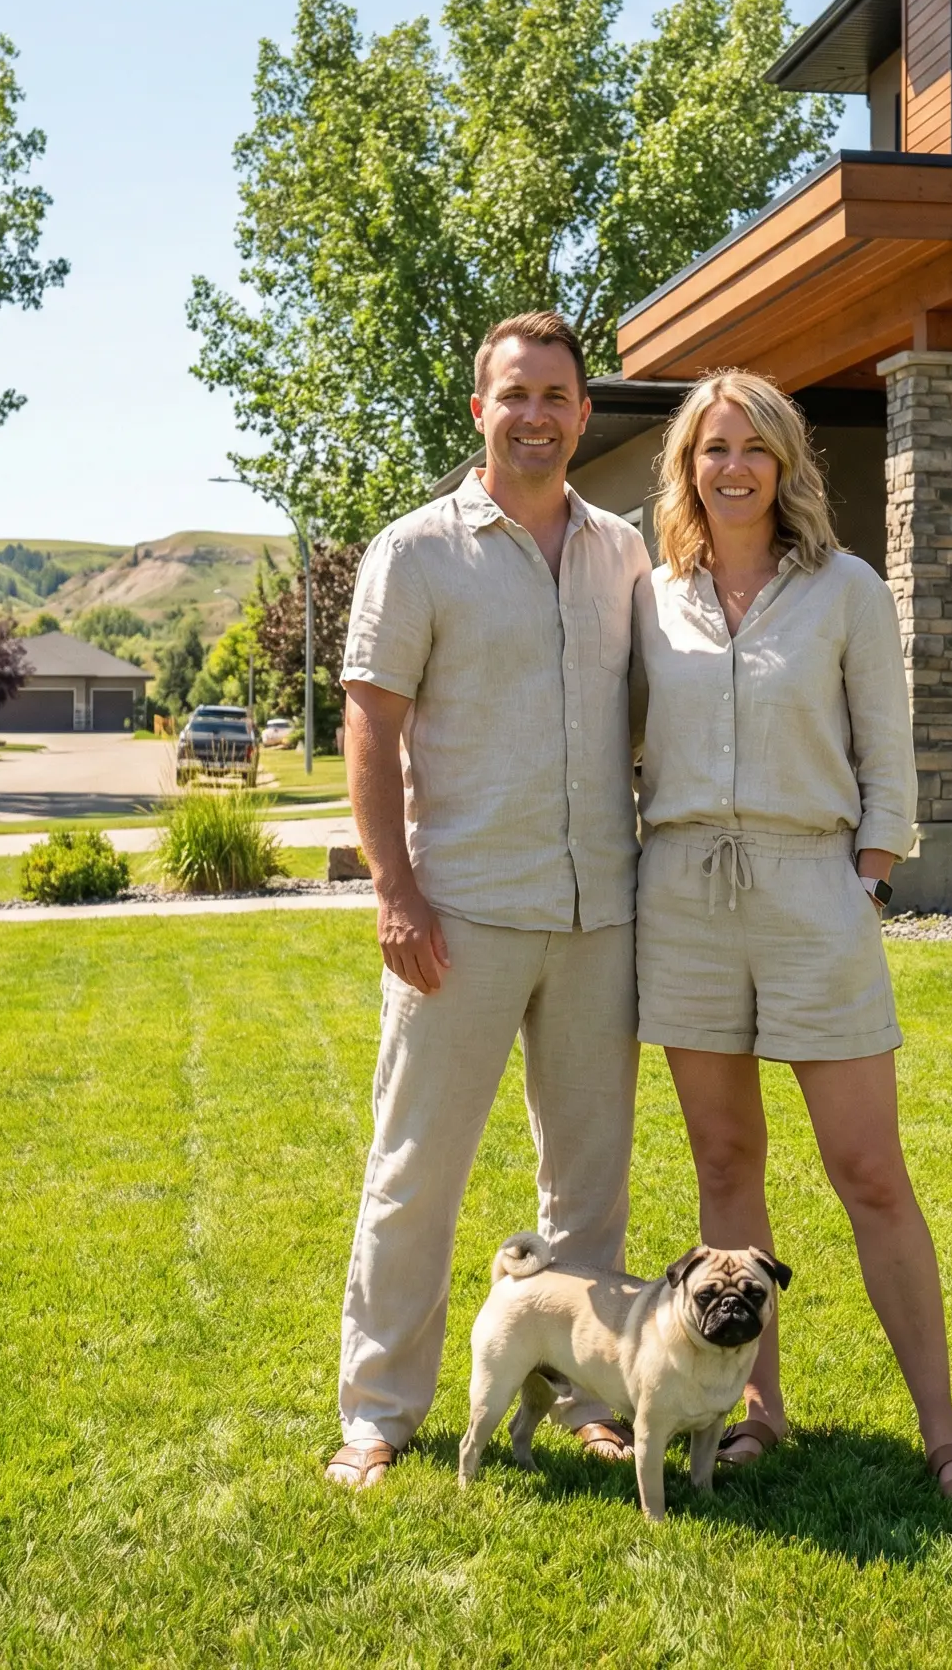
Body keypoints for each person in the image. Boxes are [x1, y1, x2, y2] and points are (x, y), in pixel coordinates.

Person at [630, 370, 952, 1505]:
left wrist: (868, 879)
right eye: (709, 448)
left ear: (784, 462)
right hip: (684, 894)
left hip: (812, 888)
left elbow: (888, 756)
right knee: (725, 1167)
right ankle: (756, 1410)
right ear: (685, 468)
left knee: (868, 1171)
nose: (730, 466)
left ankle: (942, 1433)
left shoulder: (845, 589)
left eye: (751, 446)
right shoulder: (652, 596)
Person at [325, 311, 650, 1490]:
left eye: (556, 396)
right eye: (513, 394)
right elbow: (371, 720)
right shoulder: (413, 552)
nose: (535, 415)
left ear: (583, 413)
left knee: (589, 1182)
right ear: (479, 409)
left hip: (597, 913)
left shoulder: (621, 551)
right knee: (416, 1167)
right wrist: (393, 888)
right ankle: (379, 1407)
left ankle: (578, 1395)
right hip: (456, 915)